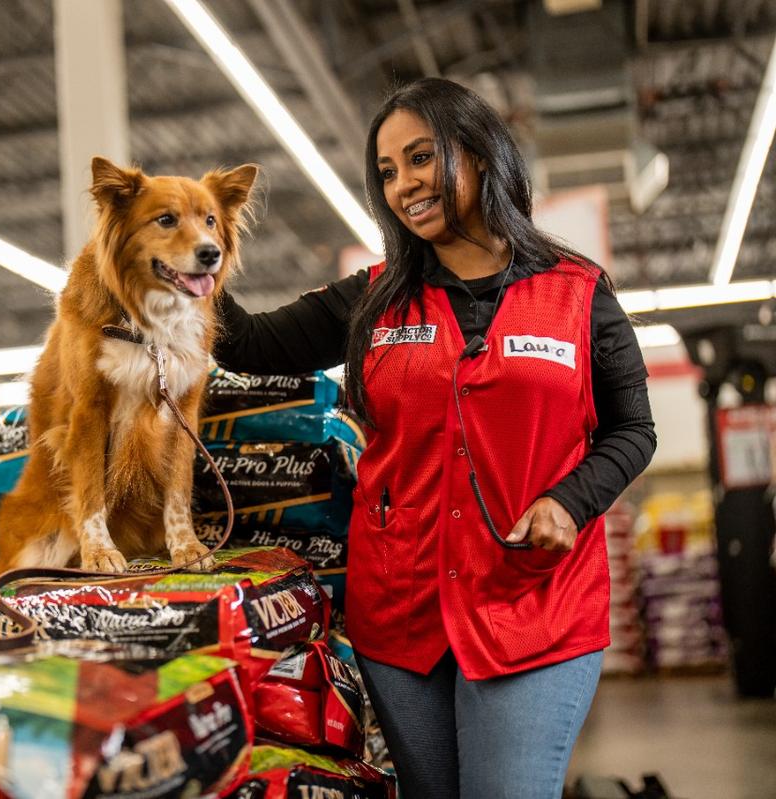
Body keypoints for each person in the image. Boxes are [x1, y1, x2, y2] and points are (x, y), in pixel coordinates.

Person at [213, 78, 657, 798]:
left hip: (533, 606)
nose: (403, 185)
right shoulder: (375, 297)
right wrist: (188, 244)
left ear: (479, 155)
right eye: (387, 171)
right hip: (402, 610)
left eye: (421, 158)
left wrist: (571, 502)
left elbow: (633, 428)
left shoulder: (578, 292)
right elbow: (246, 343)